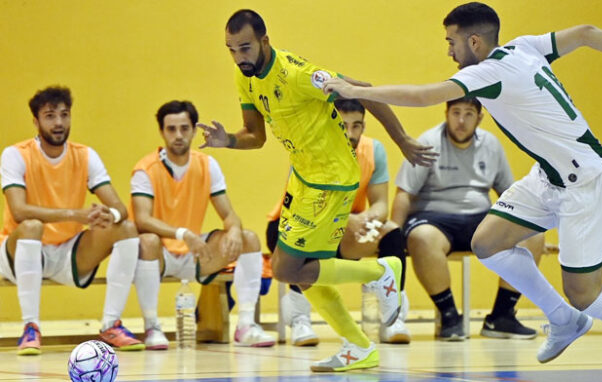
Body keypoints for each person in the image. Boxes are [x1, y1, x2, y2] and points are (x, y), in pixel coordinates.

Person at [323, 3, 602, 381]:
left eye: (451, 42)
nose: (449, 51)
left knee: (586, 293)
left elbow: (422, 95)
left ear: (474, 41)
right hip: (550, 176)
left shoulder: (490, 72)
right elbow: (586, 32)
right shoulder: (523, 47)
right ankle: (563, 319)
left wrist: (354, 90)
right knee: (487, 243)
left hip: (588, 181)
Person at [197, 10, 435, 372]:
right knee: (307, 272)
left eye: (244, 47)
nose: (238, 57)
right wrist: (227, 140)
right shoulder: (244, 77)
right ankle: (358, 346)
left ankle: (381, 273)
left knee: (286, 269)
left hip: (332, 179)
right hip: (304, 178)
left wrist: (401, 139)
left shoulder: (299, 74)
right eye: (231, 50)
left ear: (264, 41)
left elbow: (365, 91)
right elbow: (256, 136)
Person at [0, 86, 143, 355]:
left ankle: (111, 324)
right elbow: (19, 212)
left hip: (69, 252)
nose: (58, 123)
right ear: (36, 121)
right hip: (20, 250)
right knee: (31, 226)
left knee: (126, 228)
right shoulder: (15, 154)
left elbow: (120, 209)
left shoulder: (85, 155)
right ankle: (30, 326)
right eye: (50, 116)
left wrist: (107, 215)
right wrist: (74, 215)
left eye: (64, 115)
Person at [391, 96, 544, 341]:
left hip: (480, 220)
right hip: (435, 220)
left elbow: (509, 193)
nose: (461, 121)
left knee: (533, 234)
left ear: (480, 117)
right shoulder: (428, 142)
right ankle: (449, 316)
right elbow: (404, 194)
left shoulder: (491, 145)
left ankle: (502, 317)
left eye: (468, 114)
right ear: (446, 113)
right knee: (421, 237)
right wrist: (392, 238)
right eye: (456, 113)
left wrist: (529, 221)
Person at [130, 100, 274, 349]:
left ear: (194, 131)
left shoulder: (207, 164)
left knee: (249, 238)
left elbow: (228, 214)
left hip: (195, 252)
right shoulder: (145, 169)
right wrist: (182, 233)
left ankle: (246, 326)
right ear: (162, 132)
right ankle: (152, 327)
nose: (178, 135)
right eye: (171, 129)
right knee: (147, 240)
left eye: (184, 128)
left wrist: (235, 231)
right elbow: (142, 220)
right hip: (159, 253)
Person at [267, 98, 410, 346]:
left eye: (357, 126)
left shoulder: (373, 150)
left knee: (392, 234)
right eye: (344, 125)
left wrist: (365, 218)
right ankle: (301, 320)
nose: (351, 133)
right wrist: (346, 221)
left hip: (345, 228)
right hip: (292, 224)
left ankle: (393, 318)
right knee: (307, 246)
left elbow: (380, 205)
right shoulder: (311, 150)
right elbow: (307, 208)